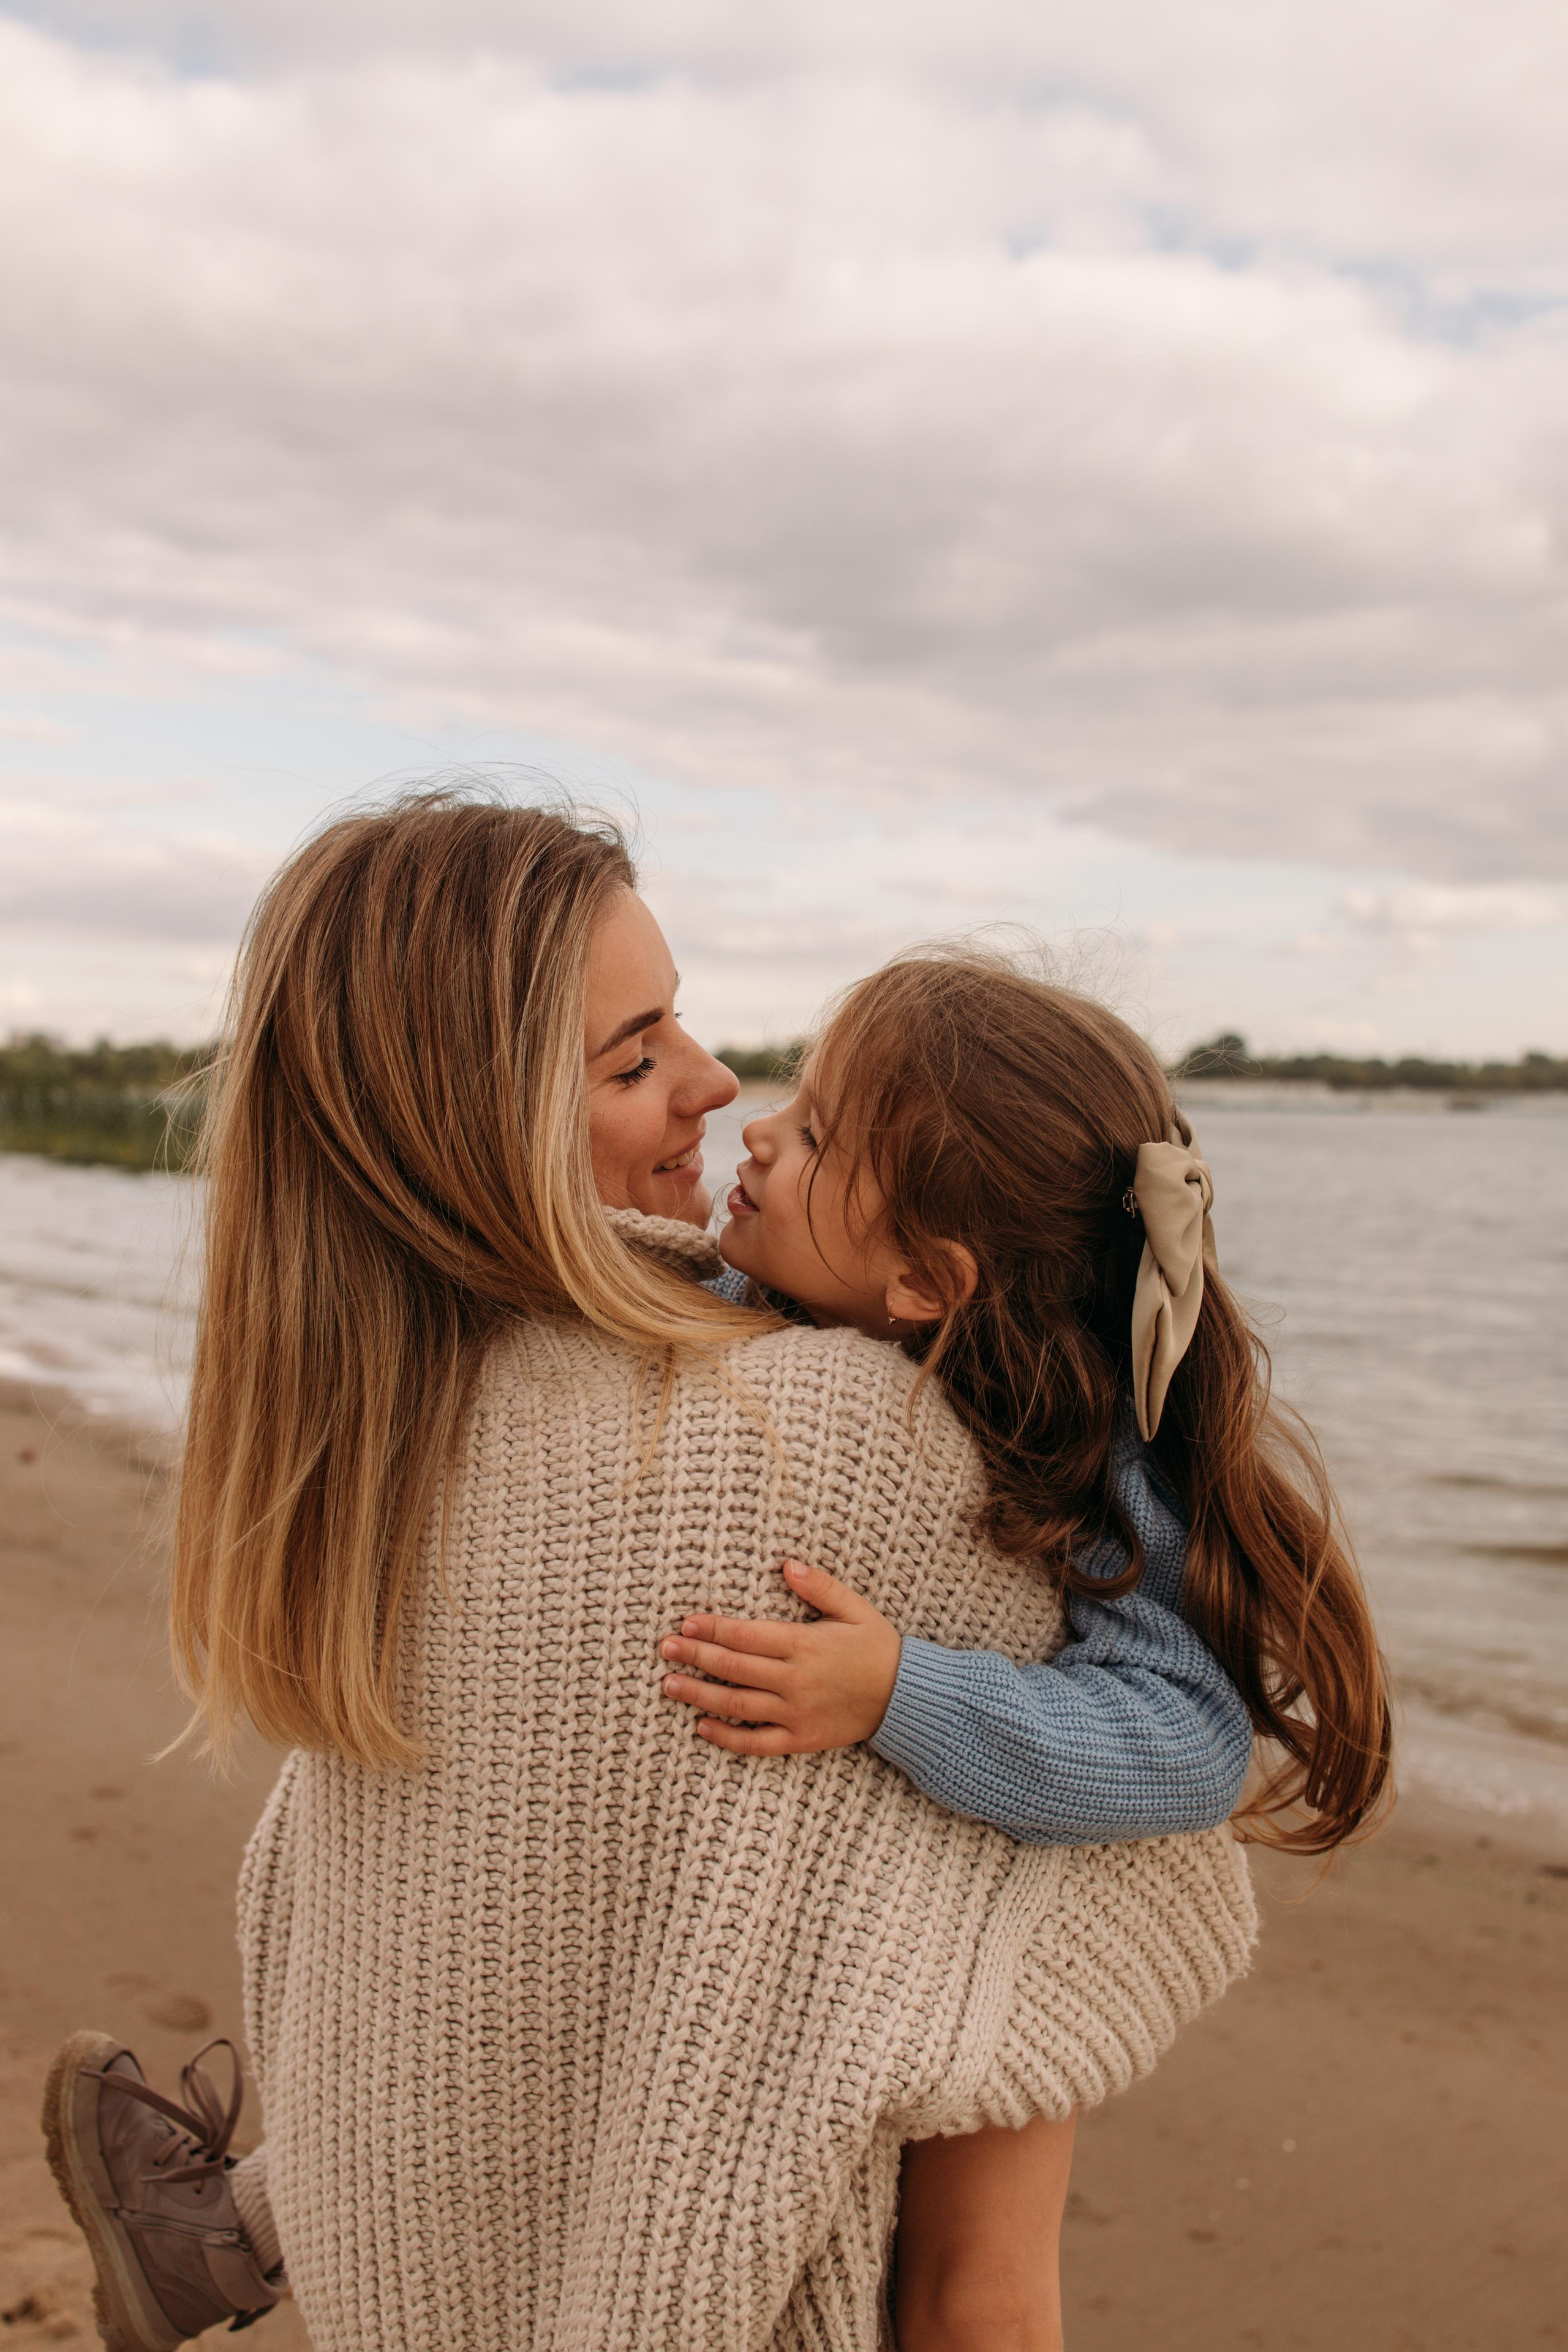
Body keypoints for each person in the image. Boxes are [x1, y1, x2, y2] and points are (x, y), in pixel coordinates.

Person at [43, 793, 1262, 2352]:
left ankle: (225, 2229)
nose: (721, 1088)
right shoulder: (870, 1448)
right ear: (465, 1127)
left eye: (680, 1022)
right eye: (633, 1059)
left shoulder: (379, 1446)